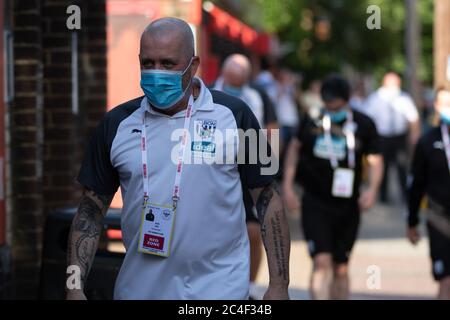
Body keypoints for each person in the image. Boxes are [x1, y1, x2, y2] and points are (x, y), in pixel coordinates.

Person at [66, 17, 290, 300]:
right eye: (148, 63)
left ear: (193, 65)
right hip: (139, 292)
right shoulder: (115, 124)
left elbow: (268, 197)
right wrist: (73, 286)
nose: (156, 73)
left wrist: (279, 285)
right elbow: (90, 209)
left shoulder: (237, 114)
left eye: (168, 64)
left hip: (220, 292)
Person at [283, 75, 383, 300]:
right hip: (315, 201)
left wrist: (372, 190)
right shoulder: (311, 120)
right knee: (321, 261)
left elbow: (376, 160)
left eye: (336, 106)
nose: (331, 110)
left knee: (341, 267)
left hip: (348, 204)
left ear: (346, 101)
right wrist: (288, 187)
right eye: (327, 106)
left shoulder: (363, 124)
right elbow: (294, 150)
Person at [212, 53, 279, 299]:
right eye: (231, 81)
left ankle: (249, 285)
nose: (235, 87)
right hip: (217, 170)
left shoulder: (259, 97)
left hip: (249, 168)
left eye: (239, 83)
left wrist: (269, 164)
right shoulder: (207, 93)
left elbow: (272, 129)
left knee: (253, 231)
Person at [407, 86, 450, 300]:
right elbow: (416, 185)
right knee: (446, 280)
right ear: (436, 106)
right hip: (439, 216)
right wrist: (411, 221)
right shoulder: (427, 141)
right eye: (445, 103)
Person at [363, 72, 420, 203]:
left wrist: (414, 134)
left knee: (402, 166)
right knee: (383, 167)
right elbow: (367, 118)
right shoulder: (375, 98)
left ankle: (406, 195)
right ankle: (383, 196)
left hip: (399, 137)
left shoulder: (404, 98)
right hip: (382, 137)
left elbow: (413, 117)